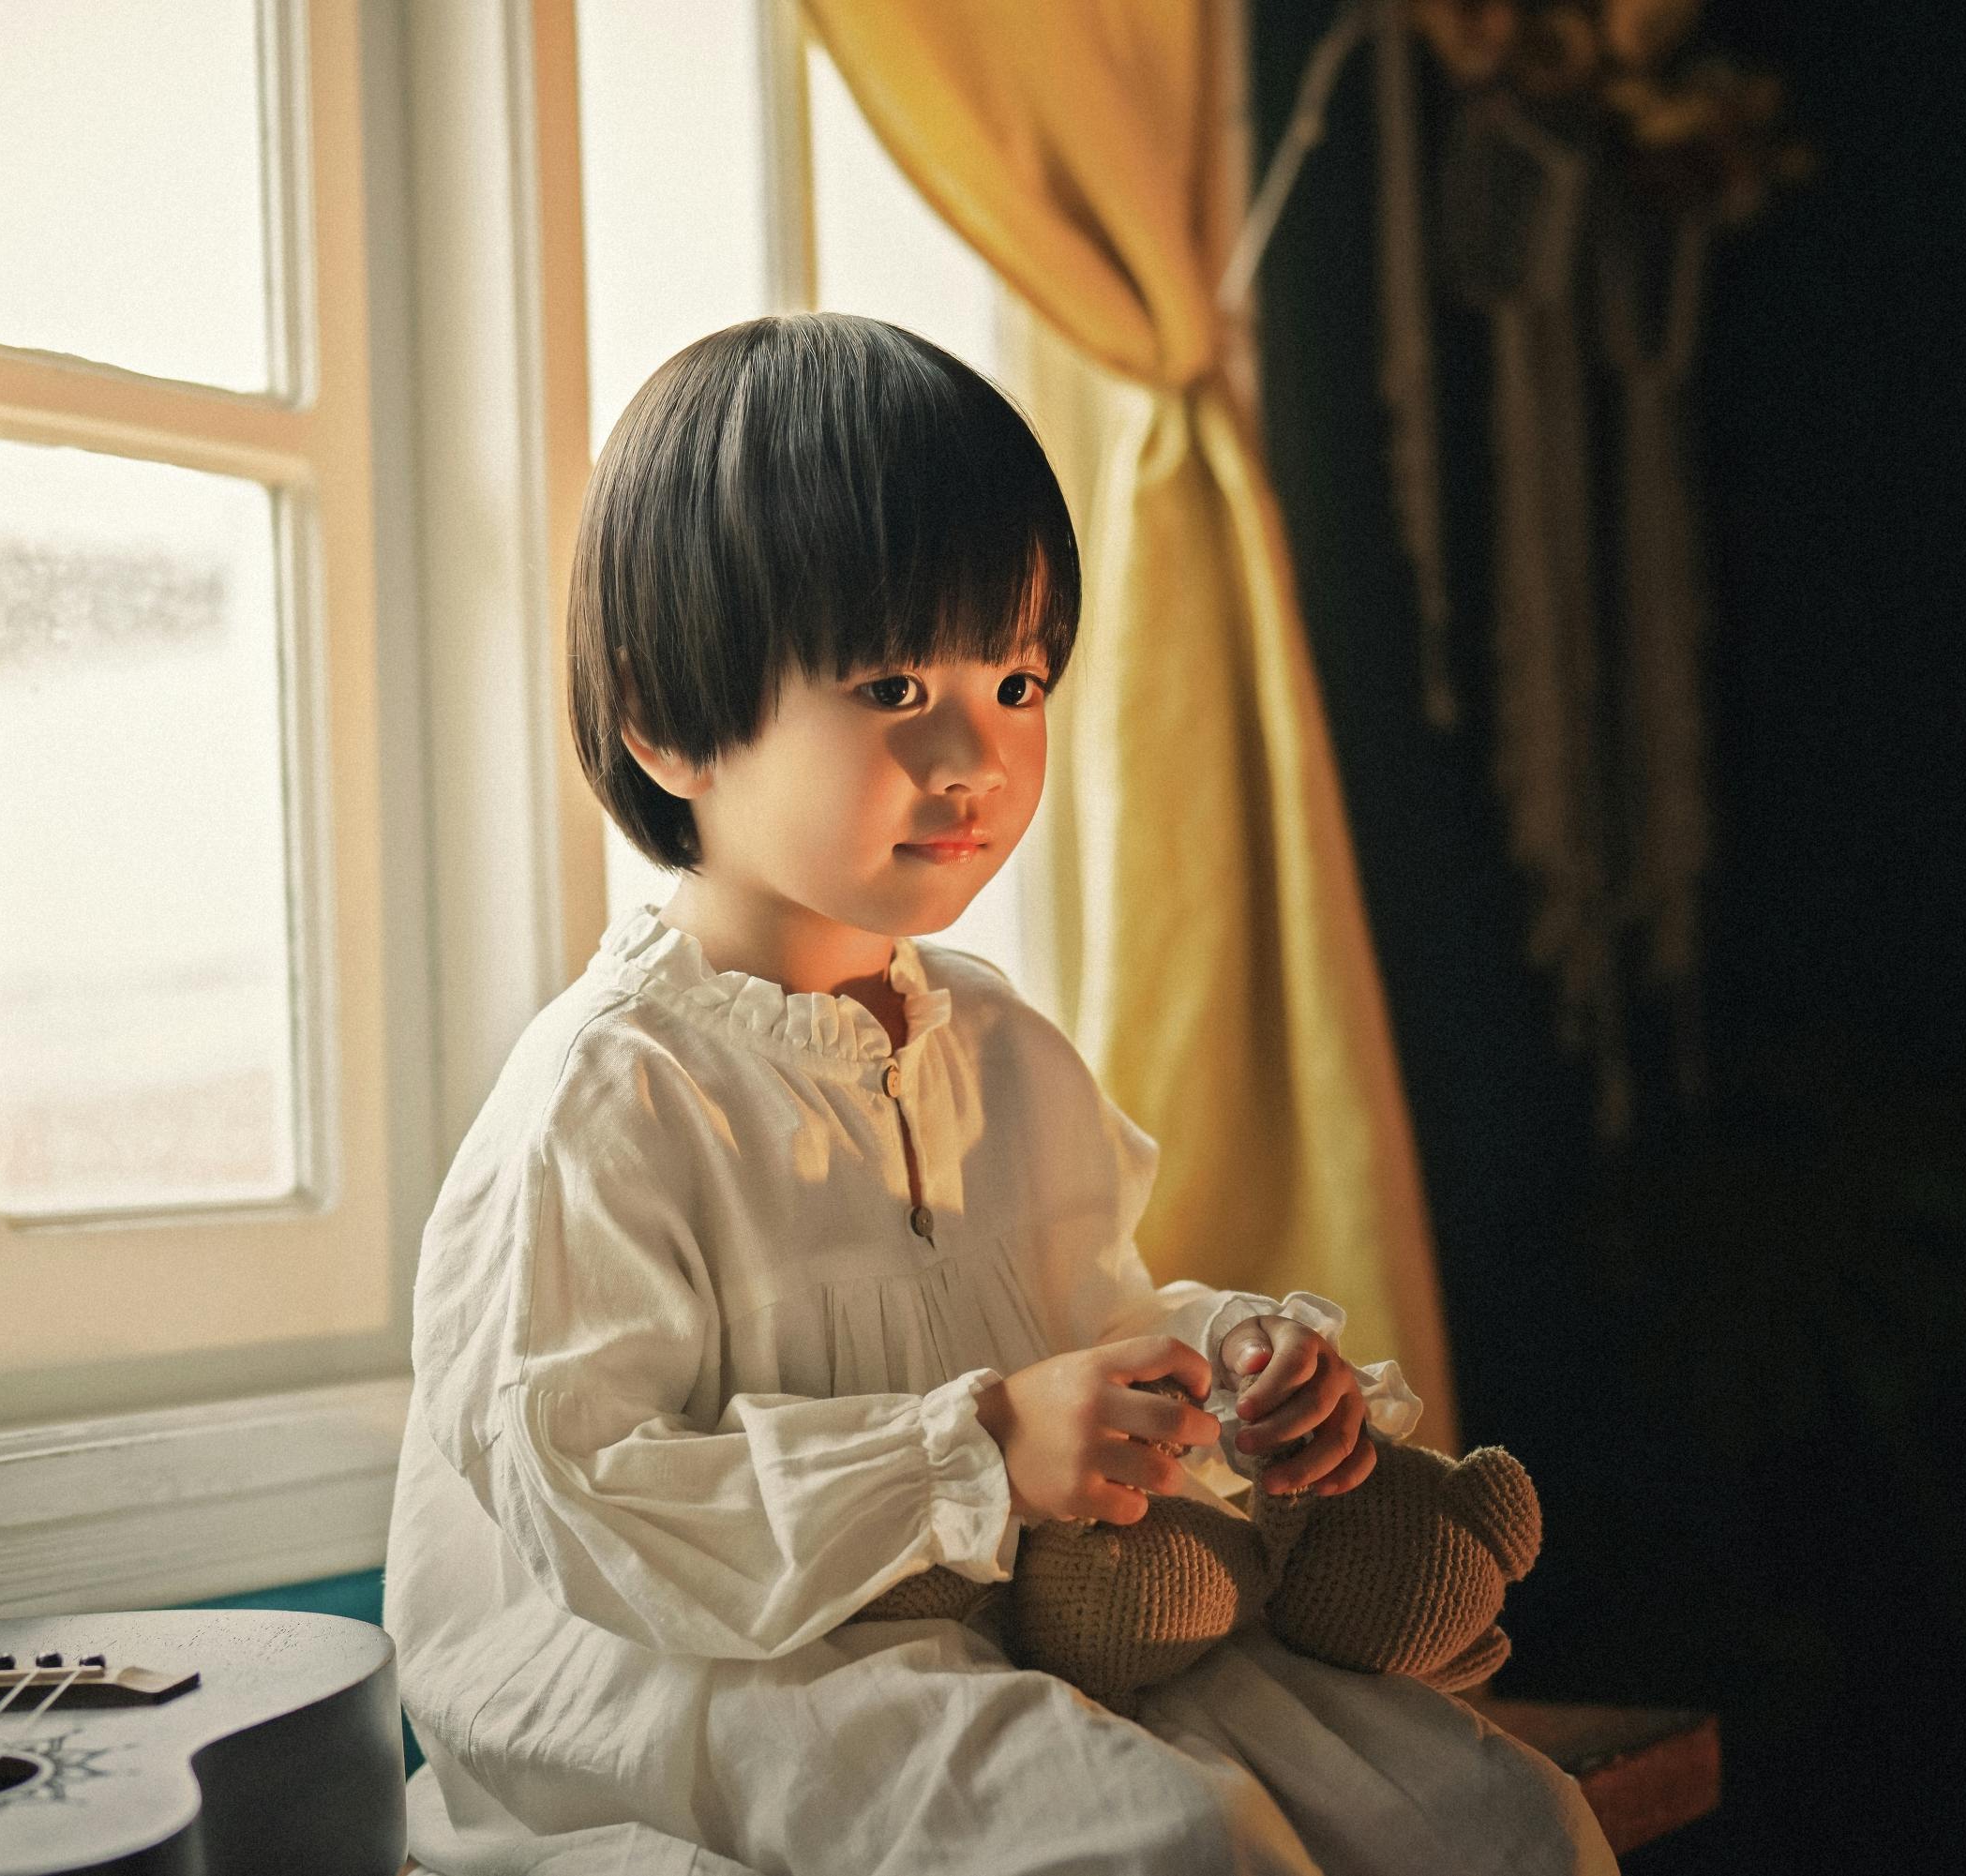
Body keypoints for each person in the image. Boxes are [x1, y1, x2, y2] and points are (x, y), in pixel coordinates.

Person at [386, 312, 1614, 1875]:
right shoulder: (610, 1093)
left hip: (1021, 1606)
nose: (977, 751)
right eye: (897, 681)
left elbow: (1077, 1324)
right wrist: (967, 1450)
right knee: (1177, 1845)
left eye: (1019, 677)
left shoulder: (1001, 1046)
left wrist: (1224, 1370)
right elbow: (588, 1497)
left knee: (1496, 1817)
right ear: (665, 715)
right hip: (712, 1666)